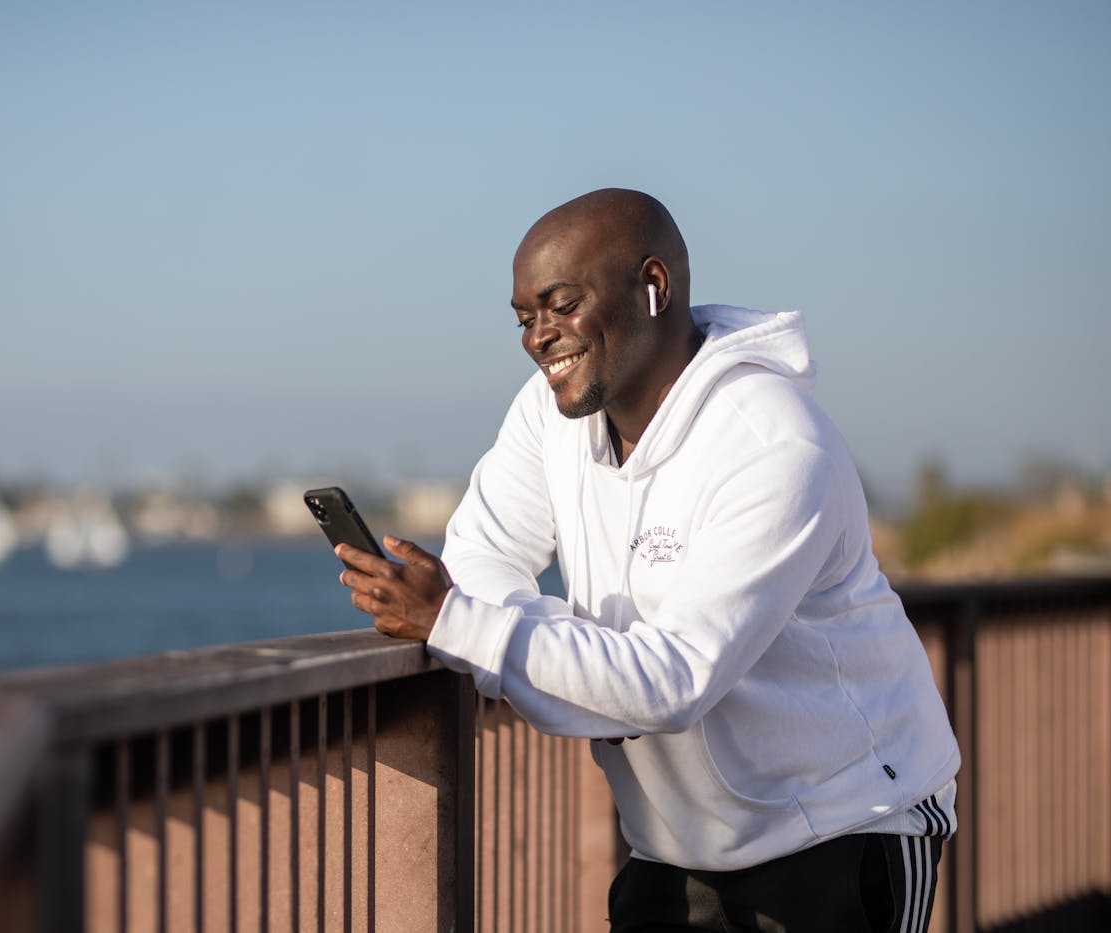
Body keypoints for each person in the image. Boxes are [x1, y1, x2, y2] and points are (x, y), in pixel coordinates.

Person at [335, 188, 959, 932]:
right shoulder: (548, 416)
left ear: (653, 286)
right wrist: (589, 671)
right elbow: (479, 557)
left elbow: (673, 681)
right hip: (670, 847)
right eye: (524, 316)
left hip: (843, 828)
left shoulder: (773, 444)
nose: (538, 336)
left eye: (560, 304)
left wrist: (473, 629)